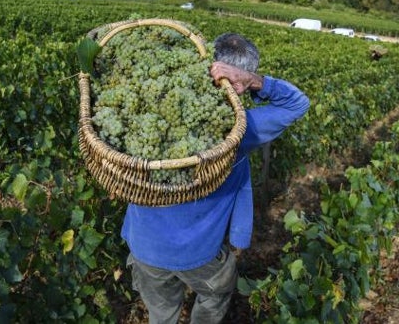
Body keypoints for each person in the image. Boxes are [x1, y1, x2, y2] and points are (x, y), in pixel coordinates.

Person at [121, 32, 310, 323]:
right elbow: (297, 103)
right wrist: (256, 80)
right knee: (217, 292)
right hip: (198, 253)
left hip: (145, 245)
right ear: (238, 81)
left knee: (161, 314)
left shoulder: (147, 108)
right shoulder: (239, 131)